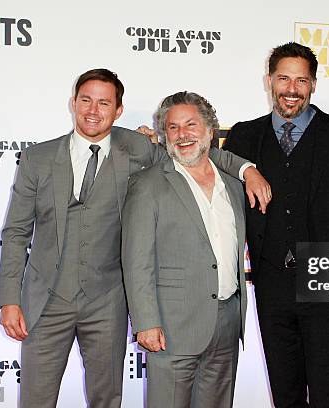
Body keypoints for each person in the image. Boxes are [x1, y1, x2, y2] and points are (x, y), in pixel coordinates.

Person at [0, 69, 269, 408]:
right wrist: (10, 298)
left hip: (108, 303)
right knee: (35, 399)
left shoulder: (136, 148)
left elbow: (197, 153)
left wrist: (247, 169)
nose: (93, 111)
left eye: (104, 103)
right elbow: (16, 232)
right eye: (85, 100)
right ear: (73, 103)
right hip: (46, 301)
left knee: (108, 399)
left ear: (118, 110)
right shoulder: (37, 158)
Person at [223, 43, 329, 408]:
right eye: (283, 78)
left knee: (327, 393)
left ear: (313, 85)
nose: (291, 88)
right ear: (269, 80)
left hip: (328, 277)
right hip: (272, 282)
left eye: (301, 80)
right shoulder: (243, 137)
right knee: (285, 393)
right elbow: (196, 164)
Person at [122, 91, 247, 408]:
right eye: (173, 128)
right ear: (163, 136)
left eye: (191, 124)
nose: (183, 134)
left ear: (209, 130)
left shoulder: (233, 185)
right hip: (171, 326)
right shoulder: (147, 184)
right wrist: (145, 321)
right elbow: (137, 260)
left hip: (227, 321)